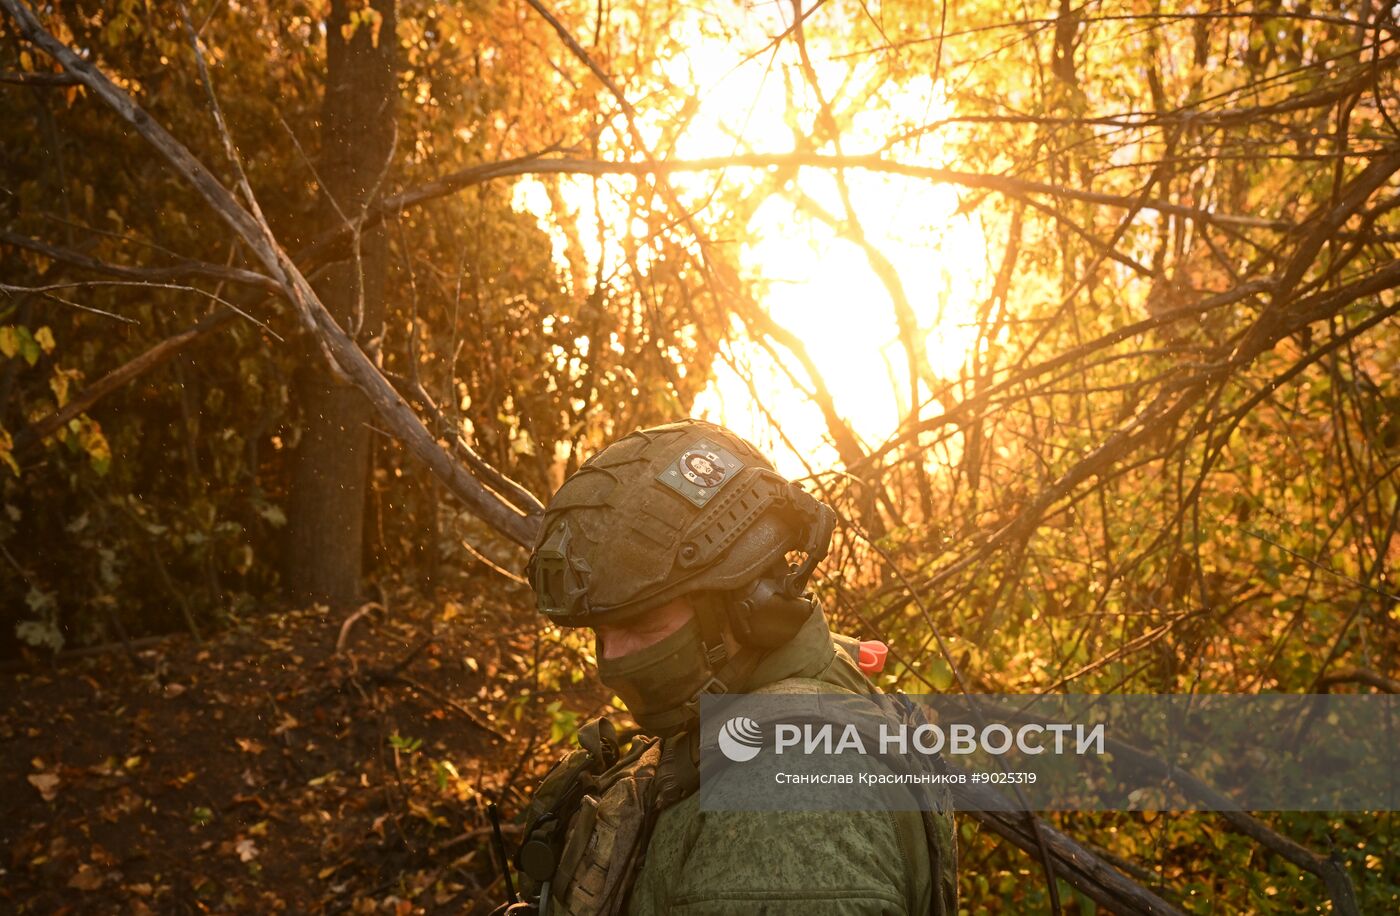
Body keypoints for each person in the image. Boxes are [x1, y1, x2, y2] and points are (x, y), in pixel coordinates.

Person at [502, 418, 956, 915]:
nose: (612, 658)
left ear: (749, 602)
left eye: (640, 622)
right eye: (600, 632)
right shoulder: (736, 710)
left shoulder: (790, 803)